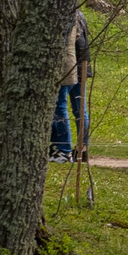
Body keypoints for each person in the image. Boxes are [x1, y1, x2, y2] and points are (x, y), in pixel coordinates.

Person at [50, 10, 92, 159]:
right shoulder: (79, 14)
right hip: (81, 64)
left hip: (70, 67)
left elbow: (75, 42)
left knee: (60, 106)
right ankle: (83, 149)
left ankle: (63, 148)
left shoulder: (66, 14)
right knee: (80, 109)